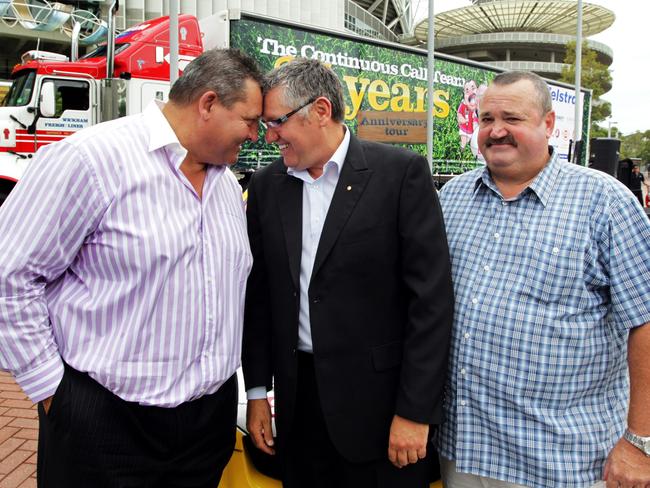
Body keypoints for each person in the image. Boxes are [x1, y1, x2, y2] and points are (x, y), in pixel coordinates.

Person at [0, 48, 263, 488]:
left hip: (204, 429)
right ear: (208, 103)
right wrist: (52, 392)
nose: (256, 135)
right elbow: (11, 275)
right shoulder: (91, 159)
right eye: (251, 120)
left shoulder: (223, 184)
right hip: (106, 425)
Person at [242, 58, 454, 487]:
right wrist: (257, 394)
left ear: (320, 111)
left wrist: (414, 413)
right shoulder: (266, 186)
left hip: (381, 415)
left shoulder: (400, 174)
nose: (269, 136)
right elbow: (259, 296)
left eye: (277, 122)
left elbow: (430, 302)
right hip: (299, 411)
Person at [436, 71, 650, 488]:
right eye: (485, 119)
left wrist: (639, 442)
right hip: (464, 451)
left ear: (548, 124)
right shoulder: (452, 198)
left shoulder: (604, 203)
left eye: (512, 118)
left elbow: (645, 323)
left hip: (563, 461)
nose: (496, 131)